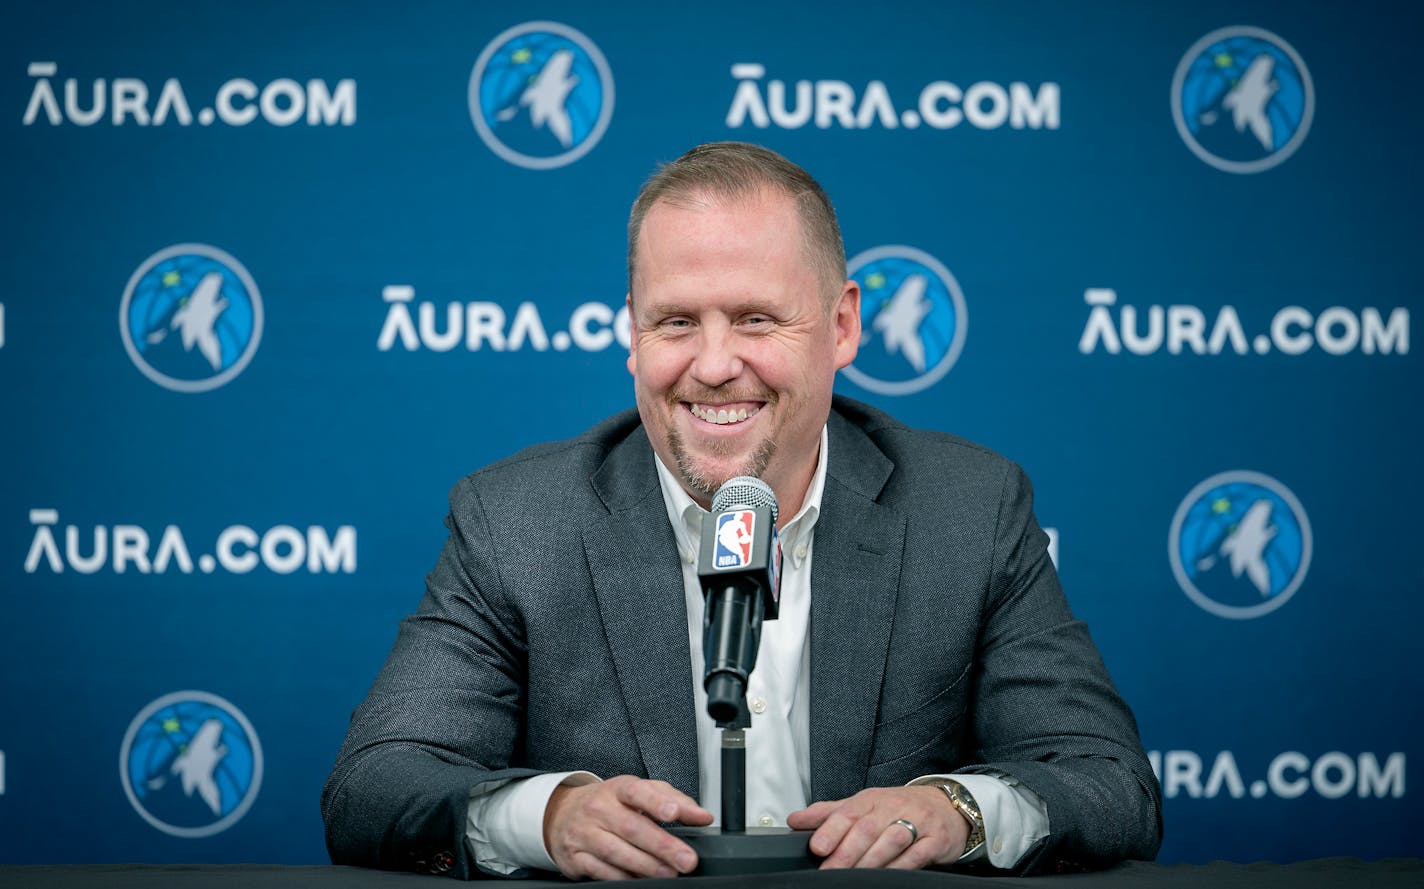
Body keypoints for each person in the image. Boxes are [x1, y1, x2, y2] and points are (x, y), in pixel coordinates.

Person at [322, 142, 1162, 880]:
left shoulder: (968, 510)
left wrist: (958, 811)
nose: (714, 365)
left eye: (757, 318)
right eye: (677, 321)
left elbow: (1104, 778)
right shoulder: (515, 521)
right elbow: (378, 781)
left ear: (840, 326)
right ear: (631, 335)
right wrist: (548, 814)